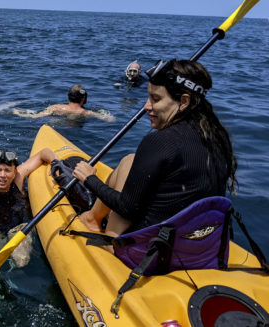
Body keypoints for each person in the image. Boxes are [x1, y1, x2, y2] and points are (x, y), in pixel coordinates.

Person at [73, 59, 237, 253]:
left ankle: (108, 237)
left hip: (150, 254)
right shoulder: (217, 137)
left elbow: (127, 208)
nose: (146, 106)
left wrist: (90, 179)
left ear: (184, 101)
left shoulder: (159, 141)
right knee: (129, 160)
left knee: (126, 188)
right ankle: (93, 218)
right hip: (200, 249)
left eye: (156, 99)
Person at [13, 84, 114, 122]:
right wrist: (106, 114)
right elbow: (110, 120)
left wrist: (18, 113)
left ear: (68, 97)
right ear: (83, 99)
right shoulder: (87, 113)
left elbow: (35, 116)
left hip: (58, 125)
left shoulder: (56, 107)